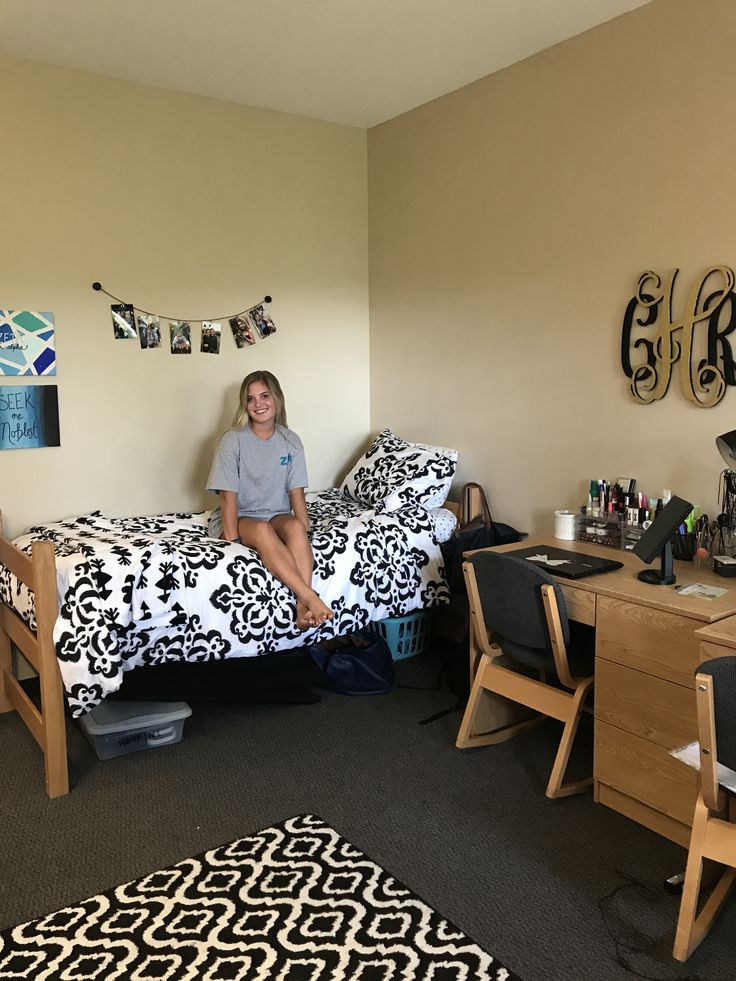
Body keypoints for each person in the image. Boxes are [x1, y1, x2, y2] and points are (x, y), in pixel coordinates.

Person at [206, 370, 333, 629]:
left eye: (264, 396)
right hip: (239, 518)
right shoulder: (232, 441)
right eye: (250, 399)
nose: (258, 404)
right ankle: (310, 597)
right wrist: (233, 542)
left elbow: (296, 494)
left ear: (277, 399)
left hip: (276, 514)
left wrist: (304, 532)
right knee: (263, 530)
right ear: (244, 404)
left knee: (296, 527)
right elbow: (228, 498)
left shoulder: (291, 441)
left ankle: (301, 608)